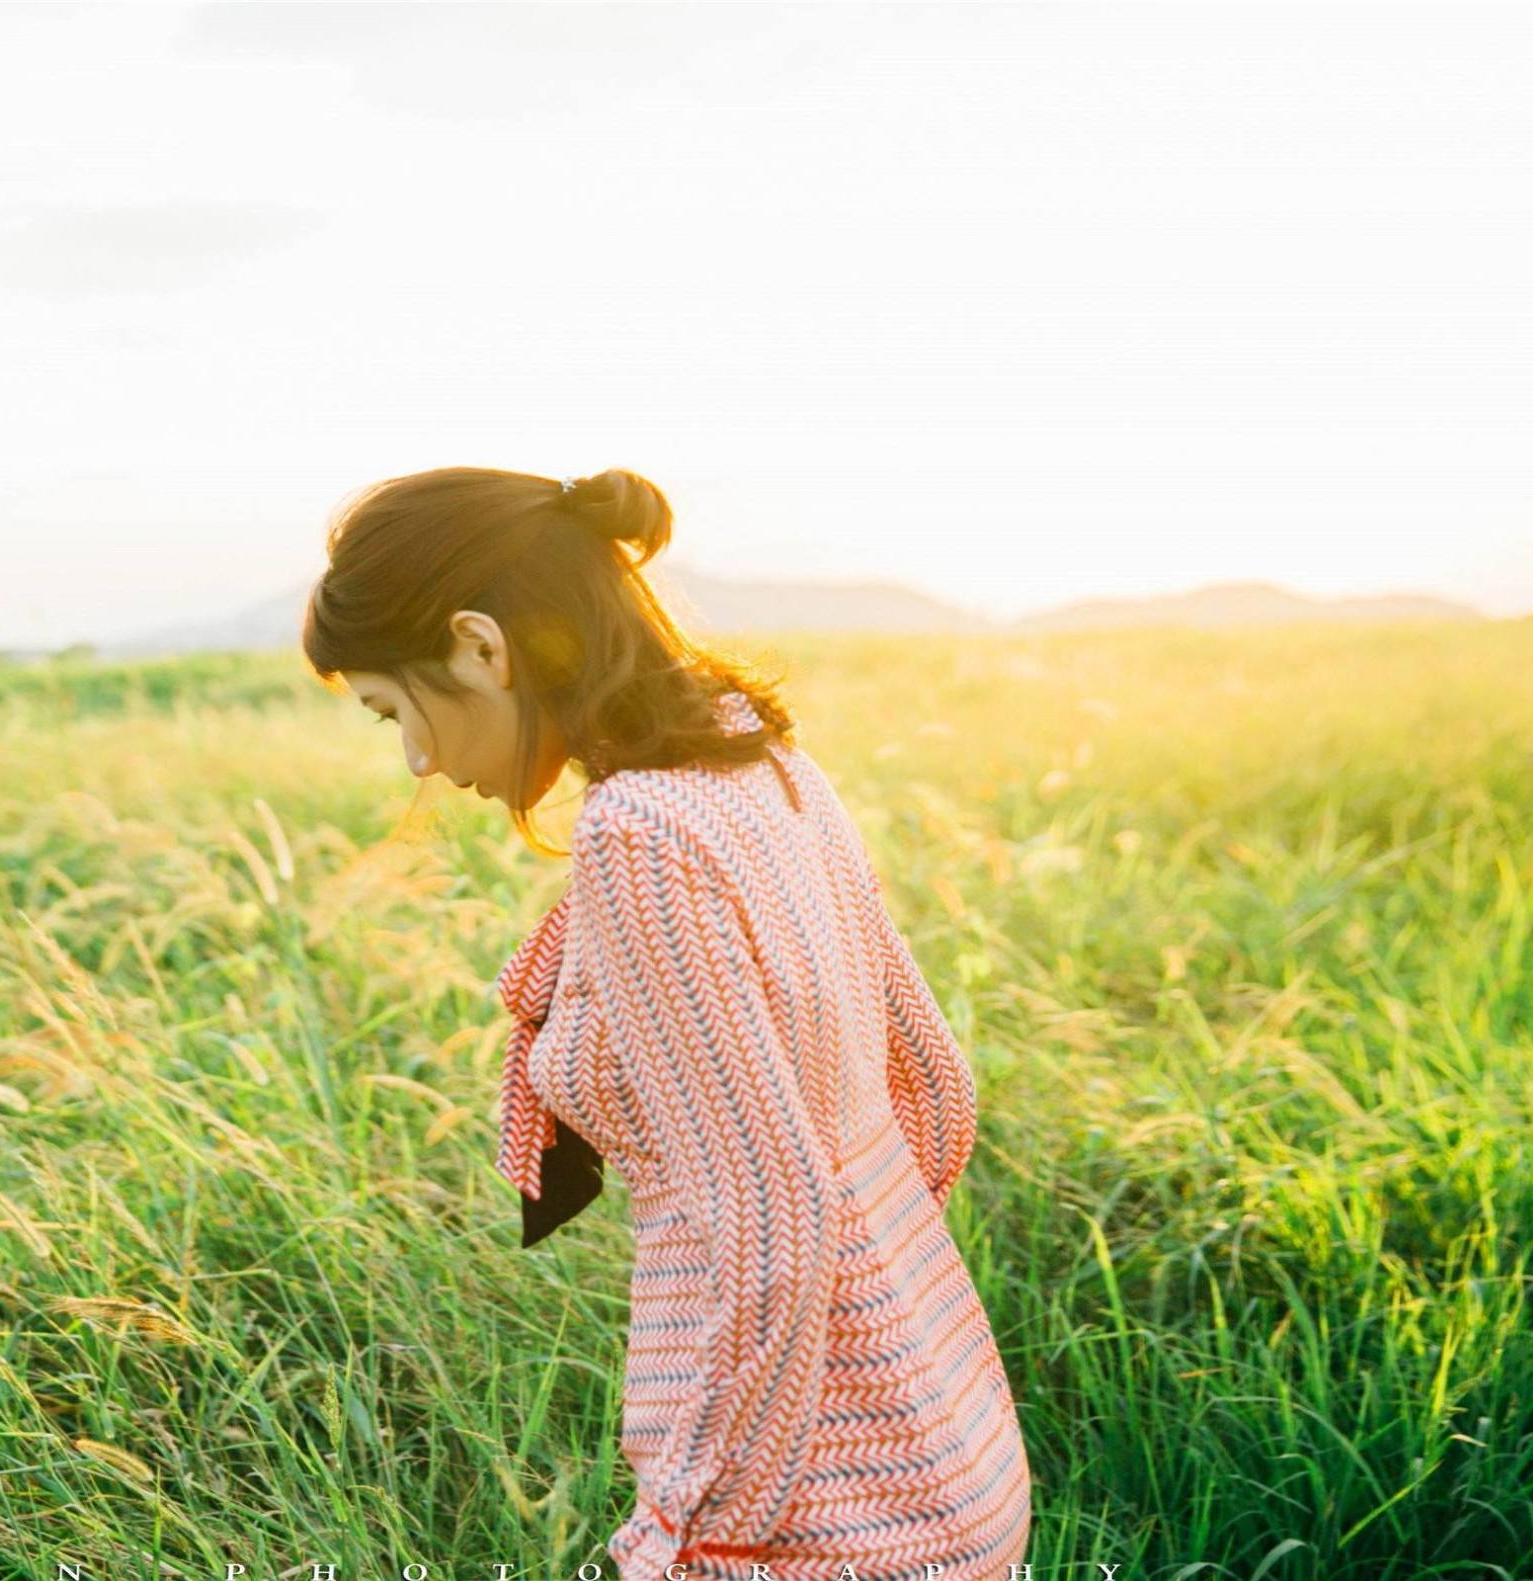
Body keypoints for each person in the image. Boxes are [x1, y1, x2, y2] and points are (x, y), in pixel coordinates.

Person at [302, 466, 1032, 1581]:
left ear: (480, 646)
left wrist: (695, 1521)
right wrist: (882, 1317)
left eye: (395, 712)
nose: (420, 763)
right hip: (943, 1449)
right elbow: (933, 1081)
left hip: (811, 1517)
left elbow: (769, 1212)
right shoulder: (769, 767)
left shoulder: (641, 834)